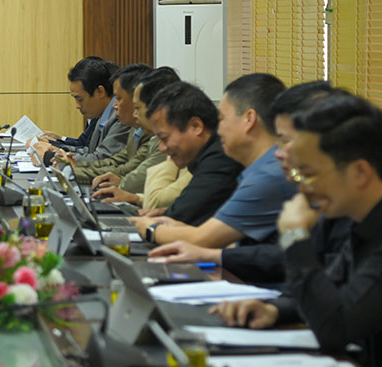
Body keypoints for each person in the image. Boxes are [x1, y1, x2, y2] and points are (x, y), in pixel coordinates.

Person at [212, 94, 382, 367]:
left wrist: (294, 236)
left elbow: (335, 327)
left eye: (308, 174)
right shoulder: (368, 216)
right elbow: (335, 290)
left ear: (360, 173)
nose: (302, 187)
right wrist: (276, 309)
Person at [147, 81, 351, 284]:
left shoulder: (275, 176)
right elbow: (286, 255)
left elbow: (332, 297)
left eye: (287, 141)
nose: (279, 154)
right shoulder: (318, 193)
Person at [136, 74, 297, 247]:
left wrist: (151, 228)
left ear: (249, 119)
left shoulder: (268, 174)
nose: (218, 129)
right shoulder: (260, 168)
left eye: (222, 119)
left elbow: (202, 238)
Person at [130, 82, 243, 235]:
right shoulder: (205, 154)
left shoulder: (221, 157)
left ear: (196, 126)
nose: (162, 148)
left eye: (164, 138)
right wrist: (166, 214)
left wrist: (158, 224)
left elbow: (183, 216)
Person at [92, 67, 184, 209]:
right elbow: (126, 166)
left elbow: (155, 197)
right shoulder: (144, 134)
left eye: (138, 107)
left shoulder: (172, 144)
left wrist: (126, 188)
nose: (135, 114)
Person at [69, 63, 157, 187]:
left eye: (119, 98)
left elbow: (131, 174)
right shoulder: (135, 130)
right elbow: (118, 163)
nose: (114, 106)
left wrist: (72, 171)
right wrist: (73, 167)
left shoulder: (156, 138)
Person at [34, 58, 131, 165]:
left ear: (100, 92)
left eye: (80, 99)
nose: (77, 106)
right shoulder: (102, 115)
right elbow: (89, 151)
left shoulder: (122, 117)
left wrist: (50, 157)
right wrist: (55, 149)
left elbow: (101, 159)